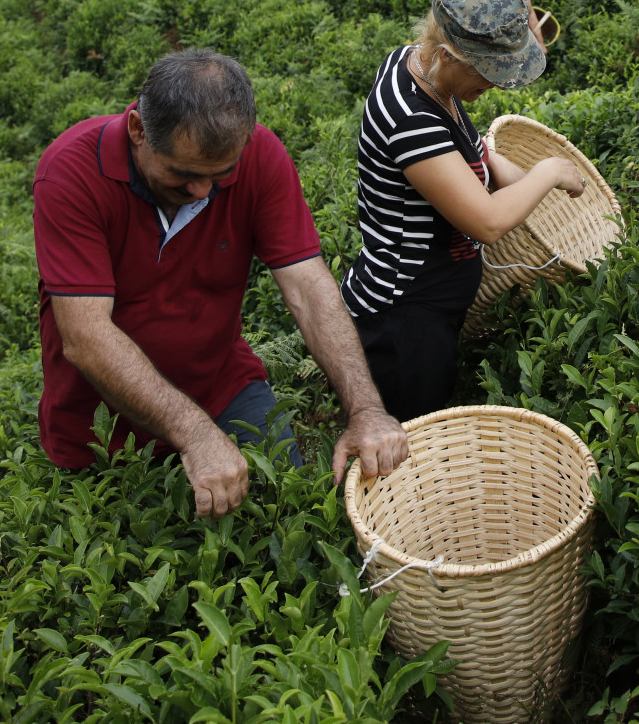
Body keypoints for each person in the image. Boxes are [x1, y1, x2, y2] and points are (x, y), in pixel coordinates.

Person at [32, 49, 409, 521]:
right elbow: (86, 336)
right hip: (100, 420)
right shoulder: (71, 171)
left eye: (220, 174)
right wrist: (195, 433)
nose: (202, 193)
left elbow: (308, 289)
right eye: (184, 174)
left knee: (292, 517)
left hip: (222, 386)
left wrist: (366, 410)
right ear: (138, 131)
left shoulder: (260, 155)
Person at [344, 0, 586, 420]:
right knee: (408, 434)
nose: (493, 85)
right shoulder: (409, 118)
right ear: (447, 55)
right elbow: (487, 222)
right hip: (402, 317)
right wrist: (548, 172)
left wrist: (529, 183)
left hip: (432, 309)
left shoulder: (424, 71)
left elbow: (476, 156)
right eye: (487, 72)